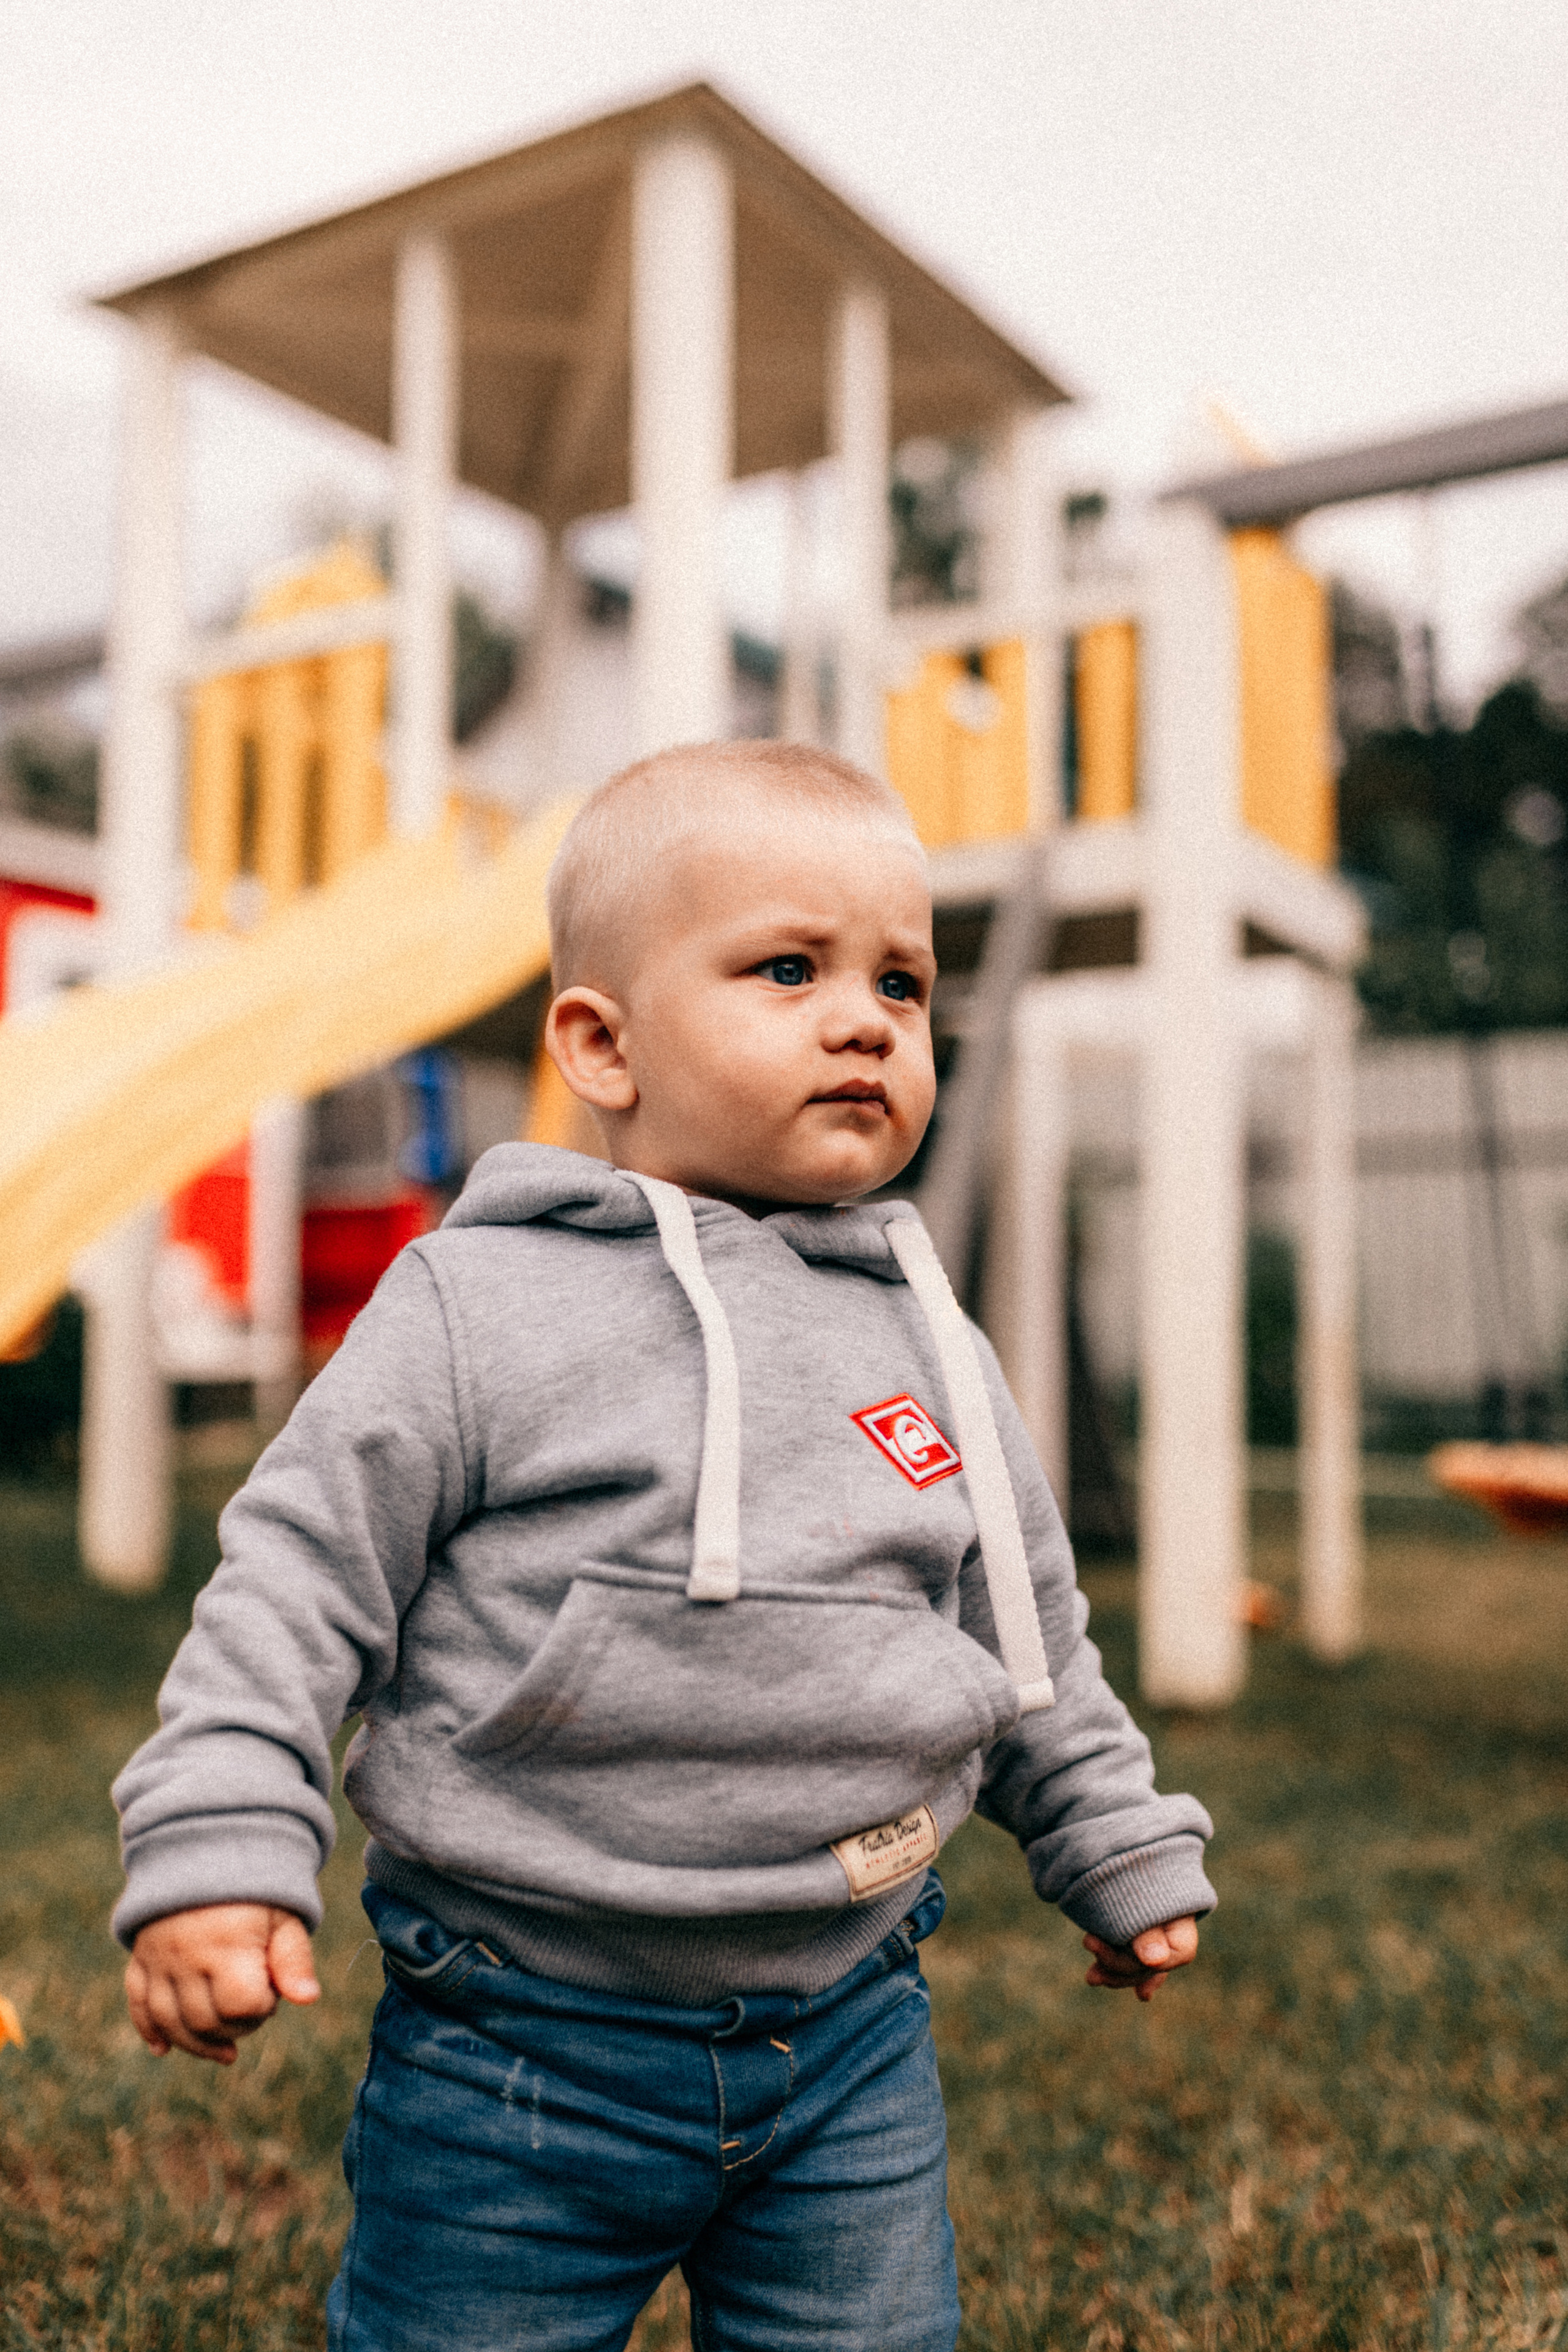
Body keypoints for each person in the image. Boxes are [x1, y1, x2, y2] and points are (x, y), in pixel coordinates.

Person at [115, 741, 1215, 2352]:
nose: (864, 1019)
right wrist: (218, 1850)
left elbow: (1024, 1630)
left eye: (901, 986)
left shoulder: (931, 1339)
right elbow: (294, 1589)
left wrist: (1110, 1841)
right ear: (601, 1042)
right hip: (519, 2039)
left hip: (850, 2030)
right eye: (789, 967)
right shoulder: (475, 1308)